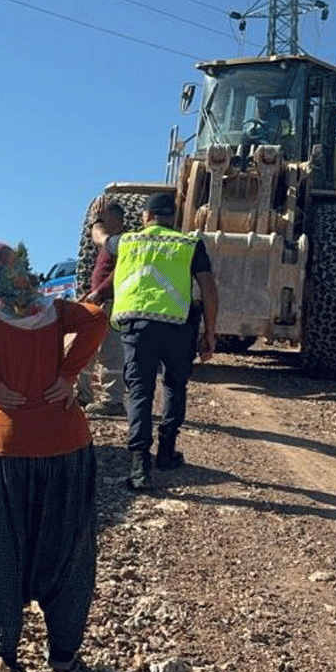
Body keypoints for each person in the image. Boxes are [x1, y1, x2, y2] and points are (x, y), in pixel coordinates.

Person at [0, 241, 106, 672]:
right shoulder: (52, 310)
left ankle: (2, 652)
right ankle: (65, 654)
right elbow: (96, 318)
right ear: (18, 272)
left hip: (5, 449)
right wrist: (69, 375)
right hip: (66, 444)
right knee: (68, 551)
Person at [108, 192, 218, 490]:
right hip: (178, 327)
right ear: (173, 217)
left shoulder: (129, 241)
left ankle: (140, 468)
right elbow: (208, 287)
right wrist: (210, 333)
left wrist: (97, 221)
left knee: (141, 392)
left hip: (138, 326)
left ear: (146, 217)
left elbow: (100, 239)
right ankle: (167, 453)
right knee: (174, 386)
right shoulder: (189, 244)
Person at [78, 196, 127, 417]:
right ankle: (82, 394)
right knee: (86, 349)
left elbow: (120, 273)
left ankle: (112, 400)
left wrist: (101, 292)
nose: (99, 222)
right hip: (99, 302)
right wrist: (92, 293)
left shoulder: (122, 243)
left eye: (102, 217)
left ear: (114, 219)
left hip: (112, 304)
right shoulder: (110, 244)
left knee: (110, 352)